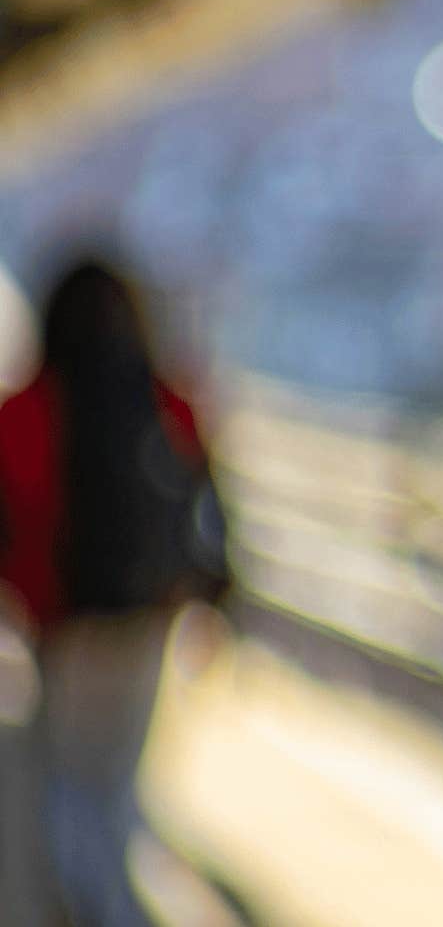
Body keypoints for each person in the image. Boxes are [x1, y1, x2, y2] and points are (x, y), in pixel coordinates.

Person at [0, 258, 229, 927]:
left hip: (65, 623)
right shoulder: (166, 396)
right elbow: (209, 503)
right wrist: (215, 594)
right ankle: (113, 901)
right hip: (149, 618)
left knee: (66, 779)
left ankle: (88, 906)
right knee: (119, 783)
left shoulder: (25, 409)